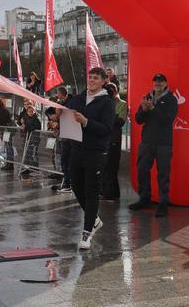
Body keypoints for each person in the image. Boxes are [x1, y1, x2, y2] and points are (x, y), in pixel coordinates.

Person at [64, 67, 115, 250]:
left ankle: (86, 233)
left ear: (103, 81)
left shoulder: (107, 102)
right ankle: (94, 219)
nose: (91, 80)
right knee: (76, 186)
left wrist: (86, 122)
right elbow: (67, 115)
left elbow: (107, 129)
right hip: (77, 149)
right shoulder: (77, 99)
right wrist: (59, 117)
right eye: (90, 77)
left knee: (92, 191)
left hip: (96, 152)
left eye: (95, 78)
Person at [130, 73, 179, 217]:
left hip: (164, 143)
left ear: (165, 83)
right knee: (142, 170)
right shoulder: (147, 97)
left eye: (160, 81)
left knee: (163, 174)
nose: (157, 84)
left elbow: (167, 120)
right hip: (147, 142)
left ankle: (163, 203)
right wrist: (144, 110)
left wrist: (152, 109)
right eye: (155, 81)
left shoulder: (171, 99)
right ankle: (145, 199)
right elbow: (138, 119)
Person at [101, 82, 127, 201]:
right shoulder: (104, 103)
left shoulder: (122, 104)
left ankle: (111, 193)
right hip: (103, 139)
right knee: (103, 166)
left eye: (111, 91)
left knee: (112, 166)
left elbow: (120, 122)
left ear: (116, 91)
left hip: (114, 139)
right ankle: (105, 191)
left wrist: (109, 113)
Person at [52, 87, 75, 193]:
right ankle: (67, 181)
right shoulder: (61, 103)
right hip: (64, 135)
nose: (57, 95)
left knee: (67, 160)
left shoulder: (71, 103)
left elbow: (68, 117)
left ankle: (69, 183)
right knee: (64, 159)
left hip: (70, 136)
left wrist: (59, 114)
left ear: (62, 94)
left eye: (57, 93)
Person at [19, 103, 43, 179]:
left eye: (32, 111)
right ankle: (28, 167)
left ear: (34, 111)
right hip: (27, 138)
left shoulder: (36, 119)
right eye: (29, 111)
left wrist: (26, 127)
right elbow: (23, 126)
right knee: (27, 153)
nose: (31, 113)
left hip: (34, 139)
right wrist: (22, 124)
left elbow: (35, 127)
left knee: (33, 154)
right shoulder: (25, 118)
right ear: (27, 112)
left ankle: (35, 169)